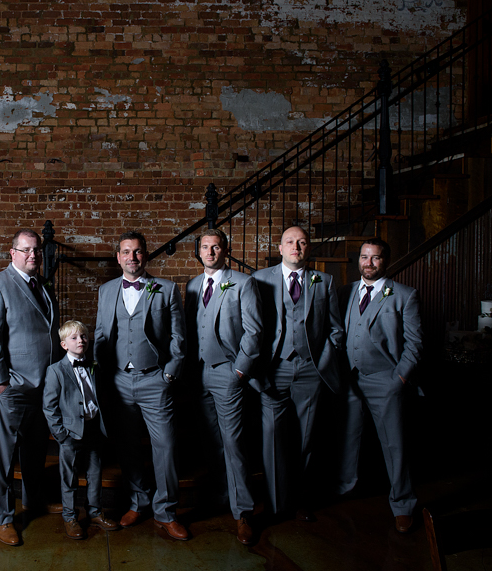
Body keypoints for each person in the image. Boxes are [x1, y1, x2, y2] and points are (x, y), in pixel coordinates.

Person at [94, 231, 189, 540]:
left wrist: (169, 375)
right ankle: (139, 501)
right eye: (125, 252)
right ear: (118, 257)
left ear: (145, 256)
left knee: (167, 447)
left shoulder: (166, 289)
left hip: (154, 379)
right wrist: (101, 377)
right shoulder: (106, 290)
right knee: (127, 447)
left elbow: (179, 337)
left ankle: (166, 511)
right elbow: (100, 335)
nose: (131, 257)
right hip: (119, 380)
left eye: (137, 252)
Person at [0, 228, 62, 546]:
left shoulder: (43, 285)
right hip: (11, 386)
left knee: (36, 449)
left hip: (43, 384)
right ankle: (2, 516)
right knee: (2, 455)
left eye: (37, 250)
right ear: (12, 253)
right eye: (25, 250)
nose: (32, 255)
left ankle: (34, 499)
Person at [253, 226, 344, 520]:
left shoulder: (325, 281)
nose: (296, 246)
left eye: (302, 242)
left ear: (308, 249)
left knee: (307, 439)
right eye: (290, 242)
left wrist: (323, 361)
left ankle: (302, 498)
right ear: (280, 248)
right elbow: (252, 327)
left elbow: (336, 330)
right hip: (273, 369)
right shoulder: (260, 279)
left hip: (310, 370)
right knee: (272, 438)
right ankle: (276, 504)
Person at [336, 238, 422, 533]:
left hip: (385, 380)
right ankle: (346, 488)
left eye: (375, 258)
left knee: (394, 444)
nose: (368, 263)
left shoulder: (403, 295)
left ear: (385, 261)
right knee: (349, 438)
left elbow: (415, 344)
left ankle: (403, 504)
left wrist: (399, 378)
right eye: (364, 257)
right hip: (350, 378)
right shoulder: (345, 292)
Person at [184, 228, 263, 544]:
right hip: (198, 374)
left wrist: (239, 372)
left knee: (234, 443)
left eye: (216, 247)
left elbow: (254, 332)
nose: (210, 252)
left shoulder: (244, 282)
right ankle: (220, 497)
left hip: (227, 374)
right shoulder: (192, 286)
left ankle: (243, 511)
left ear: (225, 250)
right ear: (198, 251)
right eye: (205, 247)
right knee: (211, 441)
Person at [42, 320, 120, 540]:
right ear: (64, 344)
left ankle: (94, 512)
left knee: (95, 473)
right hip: (70, 432)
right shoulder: (55, 371)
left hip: (94, 427)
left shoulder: (93, 365)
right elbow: (49, 406)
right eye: (74, 338)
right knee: (69, 477)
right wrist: (61, 435)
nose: (81, 341)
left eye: (84, 336)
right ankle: (70, 516)